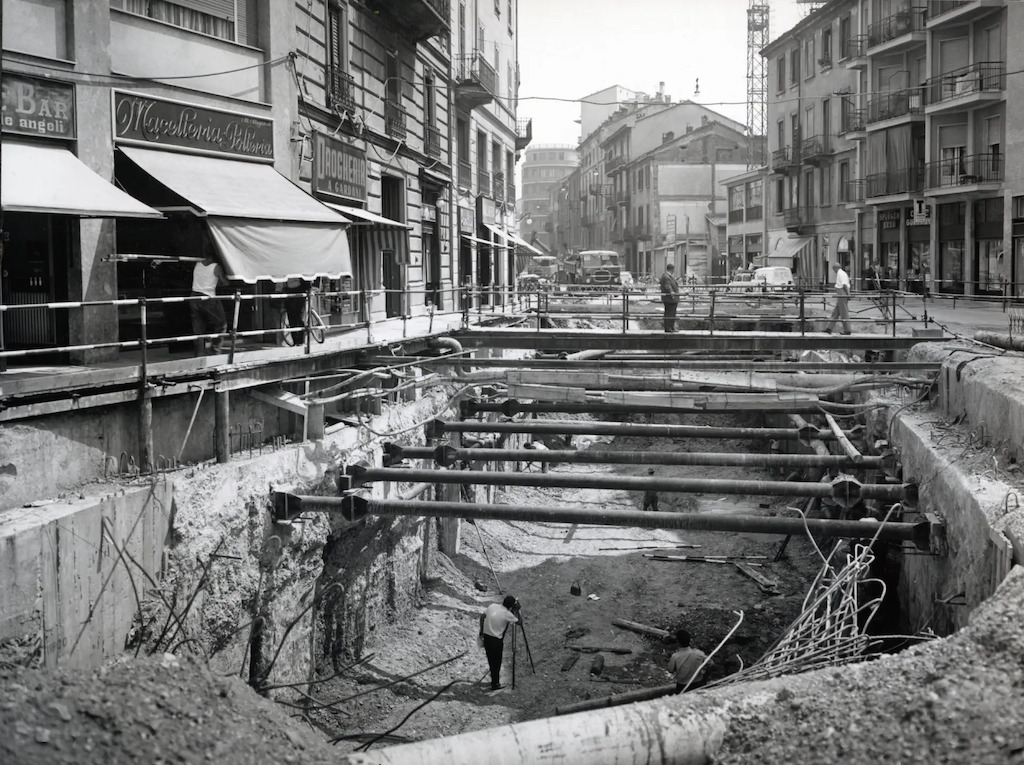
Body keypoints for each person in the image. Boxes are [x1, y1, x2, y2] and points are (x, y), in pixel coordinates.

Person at [479, 595, 520, 691]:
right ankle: (495, 684)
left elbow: (482, 617)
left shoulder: (493, 606)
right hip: (496, 640)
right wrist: (517, 610)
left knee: (491, 660)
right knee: (496, 663)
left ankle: (494, 680)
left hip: (487, 637)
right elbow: (520, 622)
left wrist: (481, 631)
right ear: (512, 606)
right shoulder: (507, 614)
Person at [190, 255, 226, 356]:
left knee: (198, 327)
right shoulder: (216, 267)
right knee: (221, 323)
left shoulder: (198, 264)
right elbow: (224, 282)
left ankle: (199, 353)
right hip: (208, 297)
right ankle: (215, 350)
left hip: (194, 296)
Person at [667, 629, 708, 694]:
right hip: (698, 683)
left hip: (683, 685)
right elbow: (711, 663)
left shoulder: (675, 656)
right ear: (689, 640)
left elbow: (670, 670)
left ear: (678, 642)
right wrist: (705, 677)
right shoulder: (699, 653)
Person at [824, 262, 852, 335]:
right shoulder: (842, 273)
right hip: (841, 291)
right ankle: (829, 328)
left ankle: (847, 329)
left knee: (843, 311)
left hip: (842, 291)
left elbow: (844, 284)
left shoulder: (840, 274)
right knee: (836, 311)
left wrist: (848, 294)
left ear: (835, 268)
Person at [283, 277, 309, 346]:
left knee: (296, 317)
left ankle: (299, 341)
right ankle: (297, 341)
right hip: (294, 290)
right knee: (294, 317)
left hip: (297, 290)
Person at [660, 262, 680, 333]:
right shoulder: (666, 276)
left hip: (671, 299)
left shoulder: (668, 276)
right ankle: (668, 328)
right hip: (670, 299)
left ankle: (671, 327)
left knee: (671, 313)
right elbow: (667, 285)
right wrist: (672, 292)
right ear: (672, 269)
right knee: (670, 313)